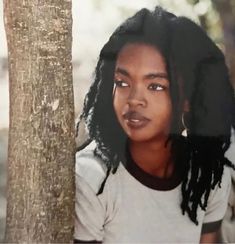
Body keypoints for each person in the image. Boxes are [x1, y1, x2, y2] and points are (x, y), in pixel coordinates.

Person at [74, 6, 235, 243]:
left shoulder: (207, 173)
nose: (134, 99)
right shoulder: (94, 179)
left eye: (155, 86)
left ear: (189, 97)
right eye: (122, 82)